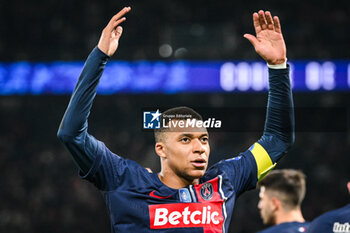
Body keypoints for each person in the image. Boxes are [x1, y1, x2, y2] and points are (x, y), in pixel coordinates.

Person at [57, 6, 295, 232]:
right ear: (161, 149)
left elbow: (277, 140)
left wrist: (277, 67)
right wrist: (99, 57)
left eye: (203, 139)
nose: (200, 148)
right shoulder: (124, 180)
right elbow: (71, 134)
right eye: (185, 140)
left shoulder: (224, 181)